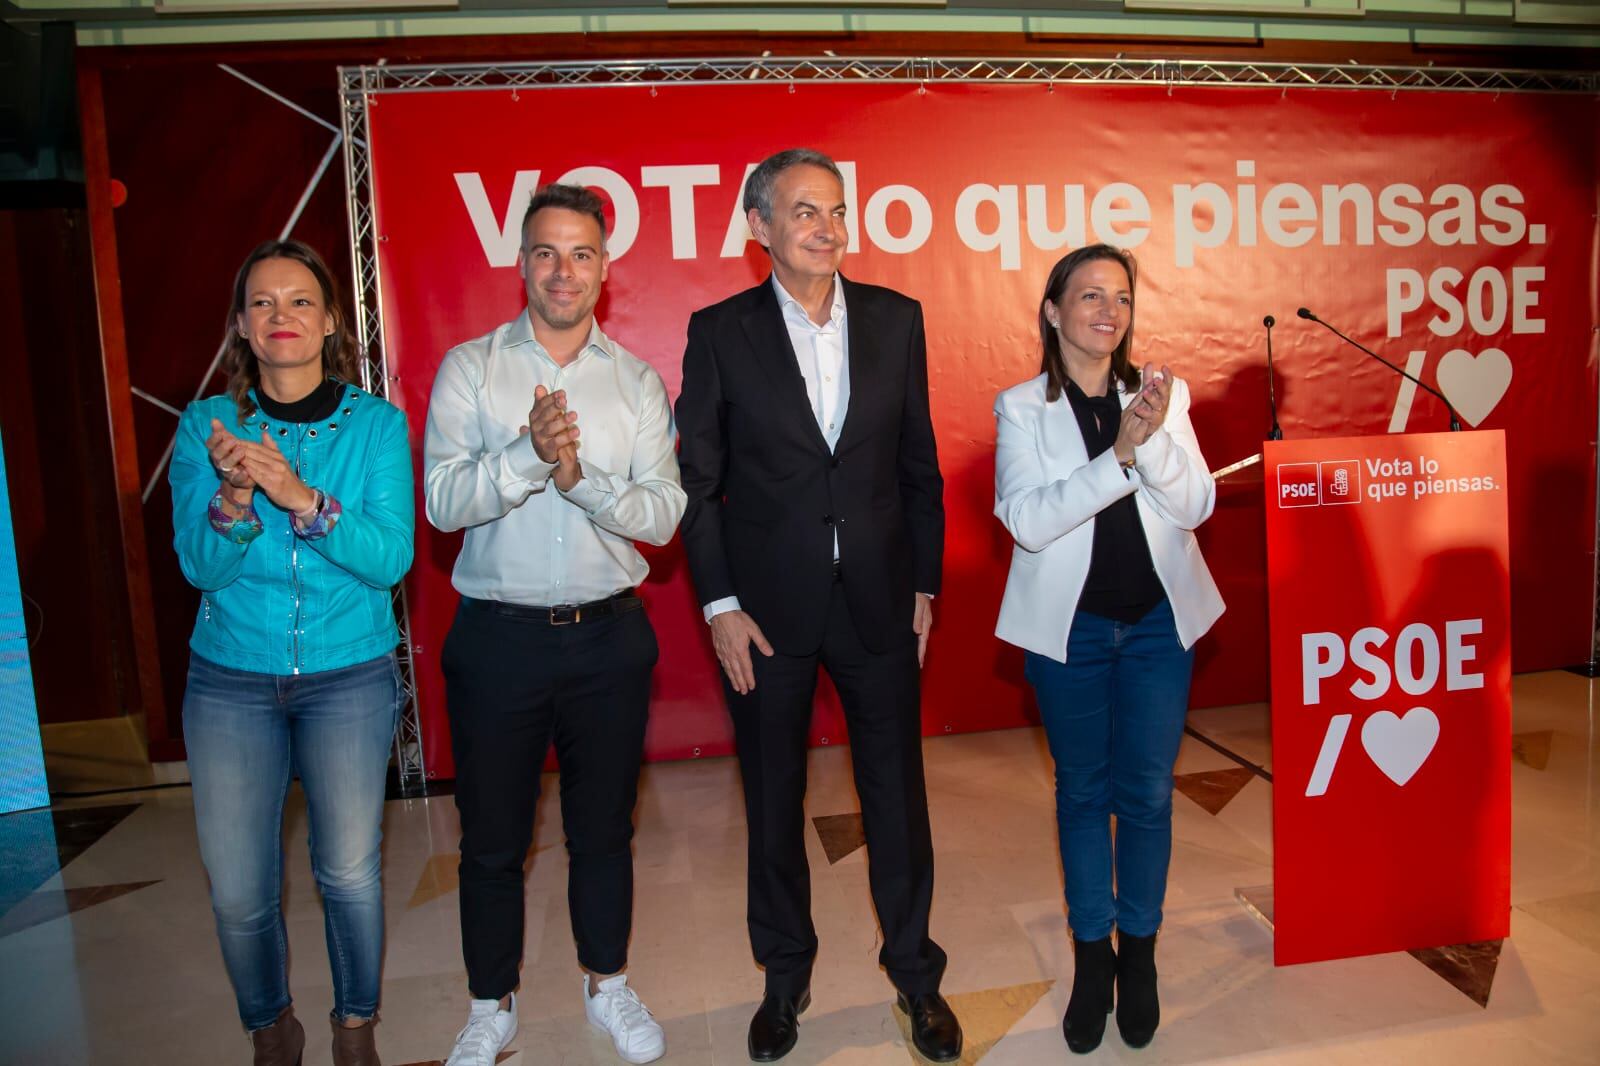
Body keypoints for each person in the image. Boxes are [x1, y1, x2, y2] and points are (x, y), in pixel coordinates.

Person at [675, 148, 963, 1064]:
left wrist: (925, 585)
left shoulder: (896, 319)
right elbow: (699, 484)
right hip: (766, 612)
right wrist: (720, 603)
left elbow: (920, 466)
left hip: (879, 600)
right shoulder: (720, 332)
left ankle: (917, 973)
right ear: (759, 229)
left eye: (836, 210)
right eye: (804, 211)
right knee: (773, 800)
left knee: (897, 799)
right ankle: (785, 974)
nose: (827, 227)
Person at [423, 183, 685, 1066]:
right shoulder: (471, 368)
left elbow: (661, 515)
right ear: (521, 262)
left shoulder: (637, 381)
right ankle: (490, 1004)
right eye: (545, 251)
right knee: (493, 840)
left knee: (604, 830)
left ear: (605, 269)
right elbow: (443, 501)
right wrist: (526, 456)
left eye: (580, 253)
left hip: (610, 638)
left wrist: (579, 481)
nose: (562, 270)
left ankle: (606, 983)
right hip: (497, 638)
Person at [171, 238, 414, 1066]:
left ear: (330, 321)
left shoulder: (377, 425)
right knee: (240, 891)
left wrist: (299, 497)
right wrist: (236, 497)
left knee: (347, 872)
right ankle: (271, 1028)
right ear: (241, 325)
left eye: (300, 300)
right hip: (231, 680)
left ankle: (355, 1027)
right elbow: (198, 567)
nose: (283, 317)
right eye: (264, 303)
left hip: (349, 675)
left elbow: (390, 559)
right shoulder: (207, 427)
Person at [992, 244, 1224, 1054]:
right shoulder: (1021, 407)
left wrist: (1154, 436)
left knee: (1151, 796)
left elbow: (1195, 504)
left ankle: (1143, 956)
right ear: (1053, 311)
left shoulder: (1164, 394)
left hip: (1160, 627)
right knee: (1083, 795)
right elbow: (1028, 520)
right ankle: (1094, 959)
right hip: (1072, 634)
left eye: (1120, 297)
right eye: (1088, 295)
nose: (1107, 311)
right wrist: (1121, 454)